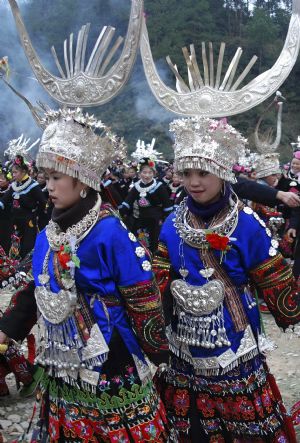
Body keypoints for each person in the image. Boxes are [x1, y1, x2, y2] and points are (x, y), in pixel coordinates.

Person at [0, 109, 175, 442]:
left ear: (82, 181)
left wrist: (158, 353)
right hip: (60, 361)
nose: (47, 185)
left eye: (56, 178)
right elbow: (37, 290)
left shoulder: (110, 231)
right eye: (46, 177)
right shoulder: (46, 236)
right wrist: (7, 331)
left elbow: (143, 297)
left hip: (110, 357)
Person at [153, 117, 300, 443]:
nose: (193, 182)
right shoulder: (171, 223)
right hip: (183, 348)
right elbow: (158, 281)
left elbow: (283, 294)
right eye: (187, 173)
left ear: (222, 172)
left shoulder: (246, 226)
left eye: (203, 173)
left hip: (234, 345)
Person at [120, 157, 173, 253]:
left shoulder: (159, 186)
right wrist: (120, 212)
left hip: (156, 221)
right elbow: (128, 201)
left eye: (150, 173)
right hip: (141, 221)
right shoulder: (136, 186)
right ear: (139, 174)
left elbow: (167, 205)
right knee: (141, 245)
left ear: (154, 173)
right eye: (144, 172)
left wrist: (165, 220)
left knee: (154, 246)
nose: (147, 175)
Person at [0, 155, 46, 258]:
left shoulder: (33, 186)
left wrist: (37, 215)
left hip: (28, 223)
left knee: (27, 247)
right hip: (16, 222)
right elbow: (4, 199)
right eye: (12, 172)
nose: (13, 175)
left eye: (15, 172)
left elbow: (43, 203)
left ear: (24, 172)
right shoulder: (15, 185)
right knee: (14, 247)